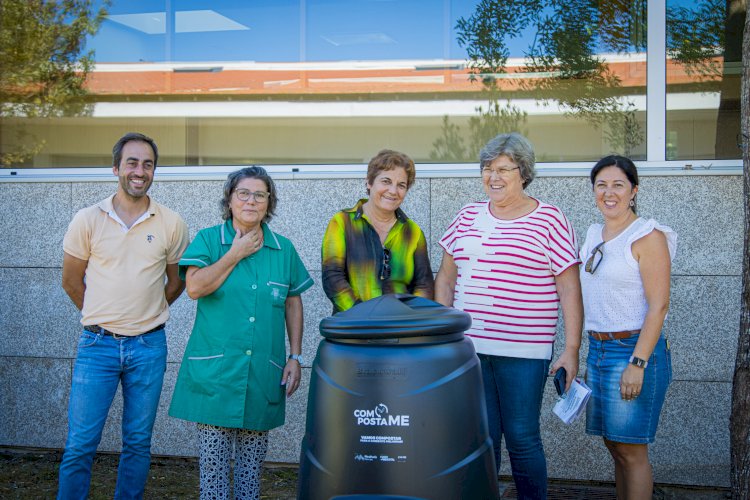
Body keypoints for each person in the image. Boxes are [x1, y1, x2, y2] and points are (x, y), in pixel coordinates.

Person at [434, 132, 582, 499]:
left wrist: (571, 349)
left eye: (503, 169)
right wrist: (444, 332)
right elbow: (446, 279)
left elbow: (569, 289)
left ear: (524, 173)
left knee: (522, 437)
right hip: (469, 350)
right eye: (487, 169)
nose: (493, 177)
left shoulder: (550, 219)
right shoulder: (467, 215)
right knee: (482, 438)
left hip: (524, 353)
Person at [58, 132, 190, 499]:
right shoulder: (88, 219)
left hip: (149, 347)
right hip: (96, 346)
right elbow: (71, 280)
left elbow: (177, 281)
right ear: (116, 167)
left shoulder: (171, 223)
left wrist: (146, 311)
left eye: (147, 164)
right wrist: (104, 313)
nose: (140, 170)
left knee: (137, 443)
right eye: (132, 162)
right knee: (80, 444)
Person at [169, 166, 313, 500]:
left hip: (263, 372)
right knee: (214, 469)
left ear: (268, 203)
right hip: (217, 375)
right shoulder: (209, 239)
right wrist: (234, 254)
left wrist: (295, 356)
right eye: (243, 193)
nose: (251, 201)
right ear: (230, 200)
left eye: (260, 195)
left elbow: (293, 302)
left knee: (251, 468)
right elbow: (193, 287)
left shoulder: (283, 249)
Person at [580, 155, 675, 500]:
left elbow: (659, 306)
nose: (609, 192)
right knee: (615, 447)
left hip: (632, 351)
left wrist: (637, 363)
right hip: (599, 350)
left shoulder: (648, 236)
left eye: (618, 184)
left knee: (632, 452)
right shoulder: (594, 234)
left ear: (633, 191)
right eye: (601, 185)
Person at [321, 149, 433, 312]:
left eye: (401, 185)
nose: (393, 191)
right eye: (386, 181)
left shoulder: (413, 233)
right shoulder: (342, 222)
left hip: (401, 330)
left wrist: (407, 318)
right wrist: (363, 316)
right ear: (369, 182)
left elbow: (425, 285)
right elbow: (332, 277)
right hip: (354, 329)